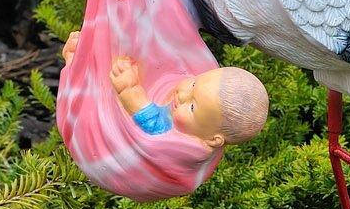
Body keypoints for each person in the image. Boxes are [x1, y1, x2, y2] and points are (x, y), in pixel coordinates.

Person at [62, 30, 268, 150]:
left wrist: (129, 88)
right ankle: (81, 63)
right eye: (194, 83)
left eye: (193, 107)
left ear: (212, 139)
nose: (182, 94)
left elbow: (148, 120)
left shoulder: (175, 142)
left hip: (108, 140)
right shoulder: (186, 112)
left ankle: (77, 67)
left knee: (93, 111)